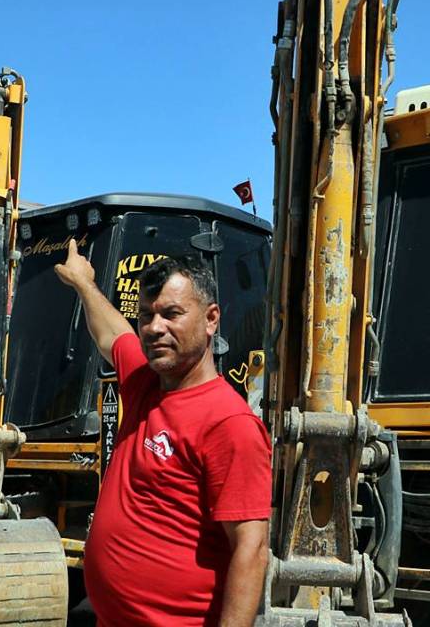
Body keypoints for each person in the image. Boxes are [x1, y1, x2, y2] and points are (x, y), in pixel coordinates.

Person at [54, 241, 271, 627]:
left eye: (171, 314)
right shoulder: (145, 384)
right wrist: (84, 283)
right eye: (146, 315)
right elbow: (111, 332)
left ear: (210, 319)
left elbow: (250, 550)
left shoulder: (229, 422)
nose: (154, 328)